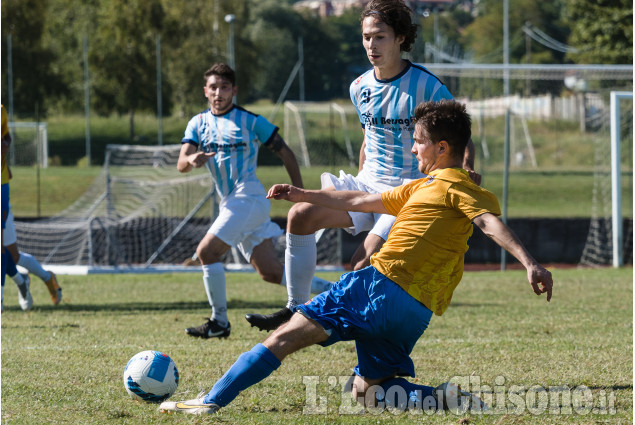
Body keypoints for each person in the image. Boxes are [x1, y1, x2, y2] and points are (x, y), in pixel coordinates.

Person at [159, 99, 553, 415]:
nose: (412, 147)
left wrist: (530, 261)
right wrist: (304, 195)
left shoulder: (458, 188)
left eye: (417, 140)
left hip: (378, 288)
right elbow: (360, 198)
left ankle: (210, 401)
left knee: (282, 337)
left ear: (442, 147)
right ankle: (446, 398)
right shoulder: (423, 187)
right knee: (368, 392)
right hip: (416, 312)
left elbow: (488, 224)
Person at [245, 0, 481, 332]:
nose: (372, 45)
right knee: (299, 216)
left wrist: (466, 168)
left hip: (406, 191)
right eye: (367, 37)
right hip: (368, 183)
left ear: (400, 37)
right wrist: (357, 181)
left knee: (361, 261)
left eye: (380, 37)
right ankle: (294, 310)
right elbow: (368, 140)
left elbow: (460, 135)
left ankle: (339, 324)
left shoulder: (426, 86)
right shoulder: (359, 88)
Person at [178, 63, 330, 339]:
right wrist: (192, 159)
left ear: (234, 90)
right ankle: (335, 292)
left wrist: (299, 193)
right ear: (205, 91)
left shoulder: (251, 121)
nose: (219, 92)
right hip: (233, 203)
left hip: (248, 198)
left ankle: (219, 322)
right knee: (270, 273)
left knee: (207, 253)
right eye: (213, 87)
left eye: (224, 87)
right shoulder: (198, 123)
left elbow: (286, 153)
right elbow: (181, 163)